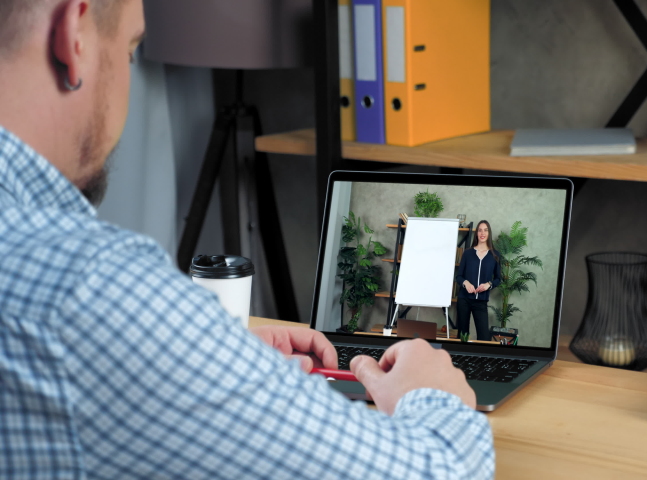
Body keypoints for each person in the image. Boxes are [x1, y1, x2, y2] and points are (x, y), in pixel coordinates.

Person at [0, 1, 494, 478]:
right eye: (130, 50)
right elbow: (439, 470)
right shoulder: (86, 289)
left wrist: (205, 357)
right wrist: (435, 395)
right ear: (74, 35)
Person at [455, 220, 502, 340]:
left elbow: (498, 279)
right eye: (480, 230)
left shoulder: (495, 255)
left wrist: (489, 285)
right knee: (462, 336)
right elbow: (459, 276)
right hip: (464, 300)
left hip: (481, 301)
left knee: (484, 338)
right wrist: (466, 283)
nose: (482, 233)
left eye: (485, 230)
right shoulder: (468, 253)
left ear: (489, 233)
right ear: (476, 233)